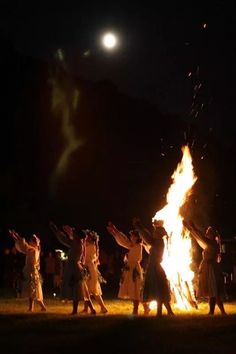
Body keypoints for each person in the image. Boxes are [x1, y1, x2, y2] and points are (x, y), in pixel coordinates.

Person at [49, 222, 96, 315]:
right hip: (74, 266)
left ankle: (76, 310)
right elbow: (67, 239)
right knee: (81, 289)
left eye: (74, 233)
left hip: (74, 267)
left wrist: (56, 231)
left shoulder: (76, 243)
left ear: (76, 235)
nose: (72, 234)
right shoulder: (79, 242)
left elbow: (64, 240)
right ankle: (91, 309)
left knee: (77, 289)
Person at [183, 220, 227, 315]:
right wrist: (191, 229)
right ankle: (222, 312)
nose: (206, 233)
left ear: (212, 234)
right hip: (210, 267)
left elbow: (201, 238)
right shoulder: (211, 243)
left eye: (208, 232)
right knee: (215, 291)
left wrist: (193, 228)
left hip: (211, 268)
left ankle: (212, 312)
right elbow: (199, 239)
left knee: (213, 290)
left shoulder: (212, 243)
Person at [133, 218, 174, 317]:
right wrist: (140, 227)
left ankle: (165, 312)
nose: (154, 233)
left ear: (159, 234)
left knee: (159, 290)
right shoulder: (157, 241)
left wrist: (139, 226)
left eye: (156, 232)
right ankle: (166, 312)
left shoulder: (158, 242)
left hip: (155, 268)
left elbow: (147, 237)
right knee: (159, 291)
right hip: (154, 267)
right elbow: (148, 237)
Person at [106, 222, 150, 315]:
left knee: (136, 289)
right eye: (131, 236)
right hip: (130, 269)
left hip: (134, 269)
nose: (131, 237)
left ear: (137, 237)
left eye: (132, 236)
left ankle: (136, 309)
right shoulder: (133, 245)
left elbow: (124, 241)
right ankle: (145, 307)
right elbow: (123, 240)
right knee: (134, 289)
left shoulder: (136, 246)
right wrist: (114, 232)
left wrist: (115, 231)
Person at [9, 230, 47, 312]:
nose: (29, 242)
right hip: (31, 271)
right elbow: (23, 244)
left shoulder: (33, 250)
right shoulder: (34, 249)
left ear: (34, 242)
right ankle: (33, 307)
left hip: (32, 272)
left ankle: (40, 307)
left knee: (34, 290)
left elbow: (23, 244)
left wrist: (16, 236)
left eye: (30, 241)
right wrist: (15, 236)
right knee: (32, 291)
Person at [81, 230, 108, 313]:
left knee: (93, 289)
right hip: (90, 267)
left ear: (90, 238)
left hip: (89, 268)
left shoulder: (90, 246)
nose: (85, 238)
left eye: (87, 236)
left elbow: (88, 258)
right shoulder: (91, 245)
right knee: (86, 289)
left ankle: (103, 307)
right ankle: (86, 308)